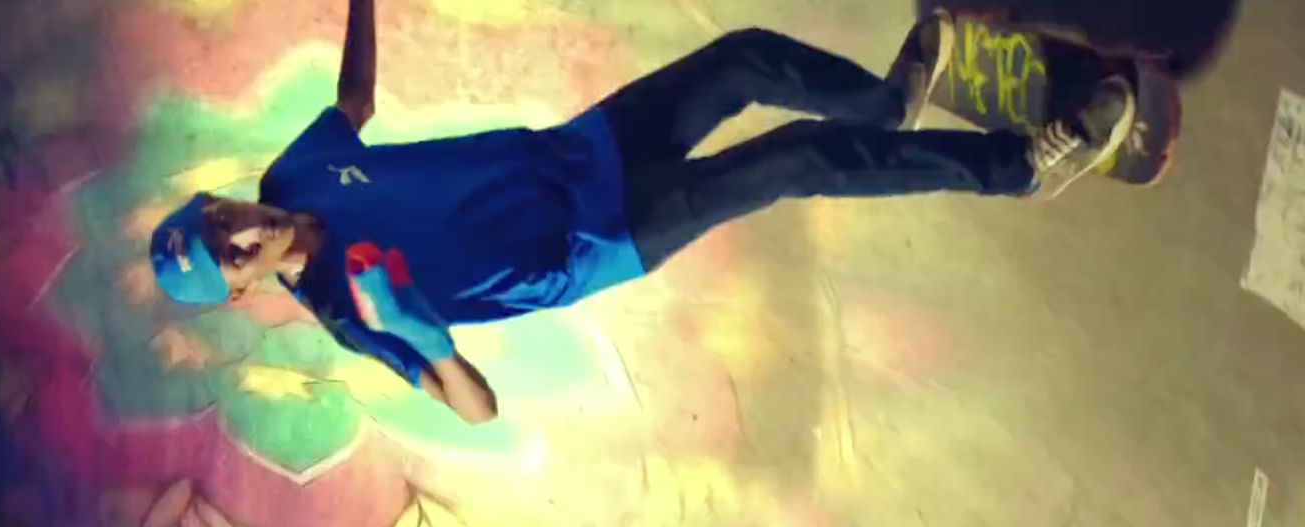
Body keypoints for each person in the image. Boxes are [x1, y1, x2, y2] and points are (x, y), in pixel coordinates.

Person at [147, 2, 1137, 424]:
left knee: (743, 59)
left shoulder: (295, 174)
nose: (241, 231)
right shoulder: (347, 311)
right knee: (791, 161)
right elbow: (475, 411)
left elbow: (353, 103)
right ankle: (1019, 168)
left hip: (574, 152)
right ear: (240, 289)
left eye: (219, 217)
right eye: (228, 254)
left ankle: (884, 102)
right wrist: (424, 336)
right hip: (595, 238)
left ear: (222, 198)